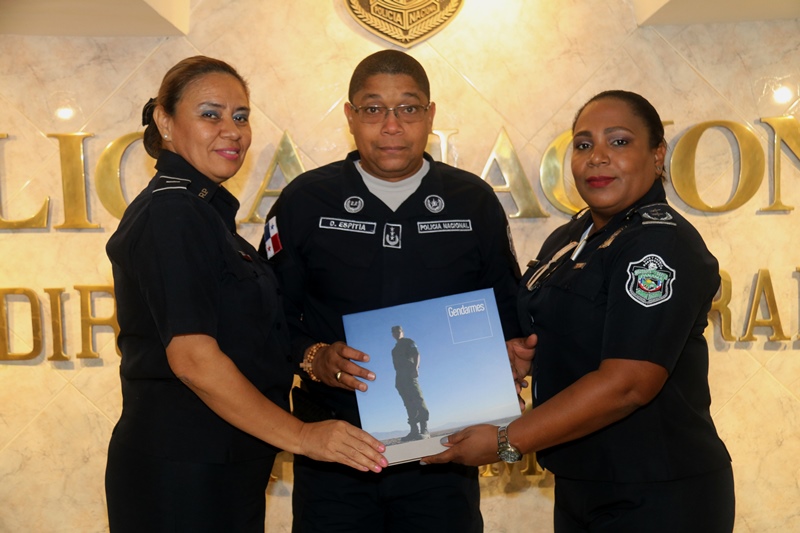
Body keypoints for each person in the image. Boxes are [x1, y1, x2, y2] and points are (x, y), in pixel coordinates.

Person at [424, 90, 735, 532]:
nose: (597, 157)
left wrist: (505, 441)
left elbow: (628, 384)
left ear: (657, 154)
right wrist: (522, 356)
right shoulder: (571, 237)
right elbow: (571, 331)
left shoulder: (659, 243)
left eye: (619, 141)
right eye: (584, 144)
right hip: (582, 483)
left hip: (657, 492)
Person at [104, 55, 387, 533]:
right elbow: (193, 359)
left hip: (222, 468)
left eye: (241, 116)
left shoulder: (204, 212)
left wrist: (315, 355)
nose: (231, 131)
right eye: (210, 114)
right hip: (183, 476)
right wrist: (303, 436)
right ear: (165, 122)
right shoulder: (173, 213)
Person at [261, 49, 533, 532]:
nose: (391, 126)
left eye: (408, 108)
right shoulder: (305, 200)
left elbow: (505, 309)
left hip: (443, 452)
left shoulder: (472, 202)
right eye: (373, 109)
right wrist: (314, 357)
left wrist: (511, 355)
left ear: (430, 115)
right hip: (334, 445)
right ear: (350, 116)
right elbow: (271, 315)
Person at [390, 325, 429, 441]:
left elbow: (416, 354)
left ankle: (424, 430)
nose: (397, 334)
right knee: (408, 404)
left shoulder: (408, 342)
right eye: (394, 332)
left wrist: (416, 368)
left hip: (409, 374)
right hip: (400, 378)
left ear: (402, 332)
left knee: (418, 399)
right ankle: (414, 431)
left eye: (398, 331)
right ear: (392, 335)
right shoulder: (394, 350)